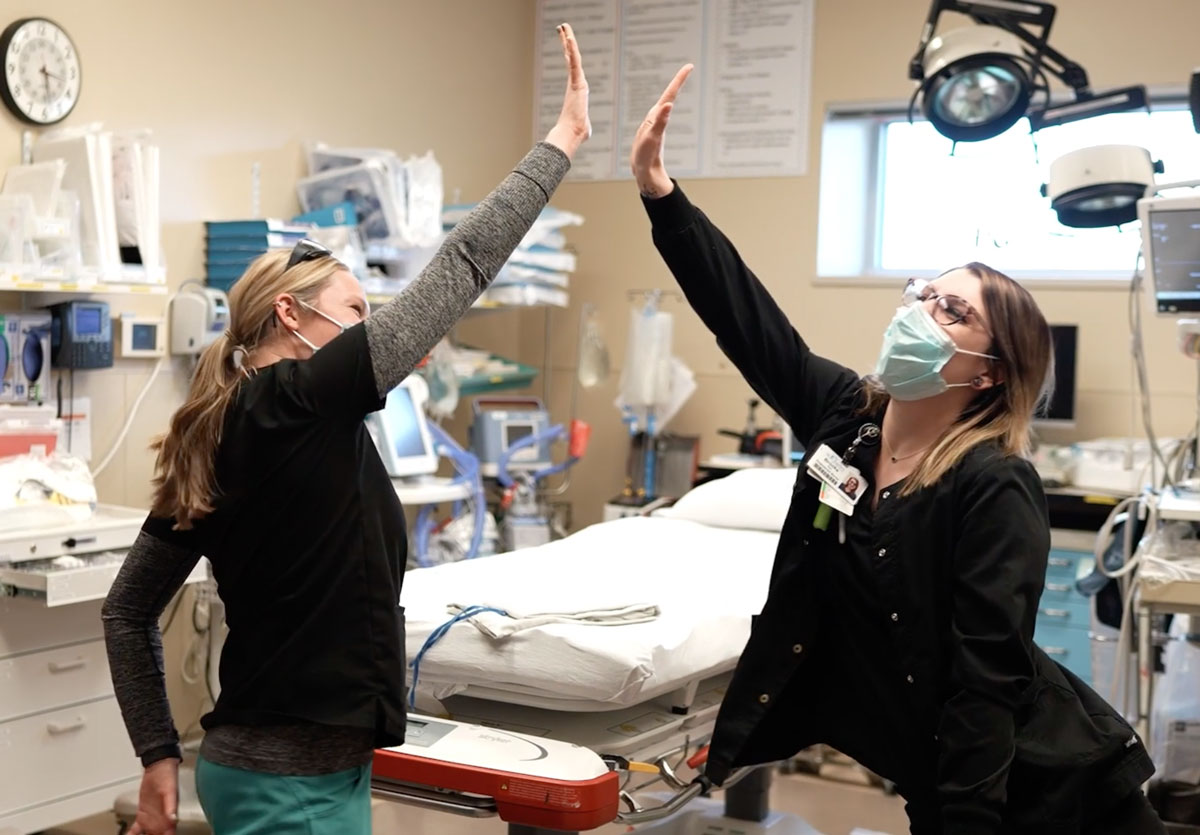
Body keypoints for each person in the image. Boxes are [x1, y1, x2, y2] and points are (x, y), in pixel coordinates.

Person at [629, 65, 1163, 835]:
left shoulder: (993, 485)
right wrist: (661, 195)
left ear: (988, 371)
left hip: (1049, 794)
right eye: (925, 293)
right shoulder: (847, 421)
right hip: (938, 780)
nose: (920, 310)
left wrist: (964, 820)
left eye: (952, 310)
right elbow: (746, 320)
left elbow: (987, 678)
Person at [100, 24, 590, 835]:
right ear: (288, 316)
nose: (376, 330)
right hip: (281, 784)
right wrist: (560, 144)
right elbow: (460, 266)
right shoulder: (285, 400)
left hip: (312, 771)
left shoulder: (254, 423)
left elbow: (125, 609)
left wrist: (158, 752)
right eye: (360, 313)